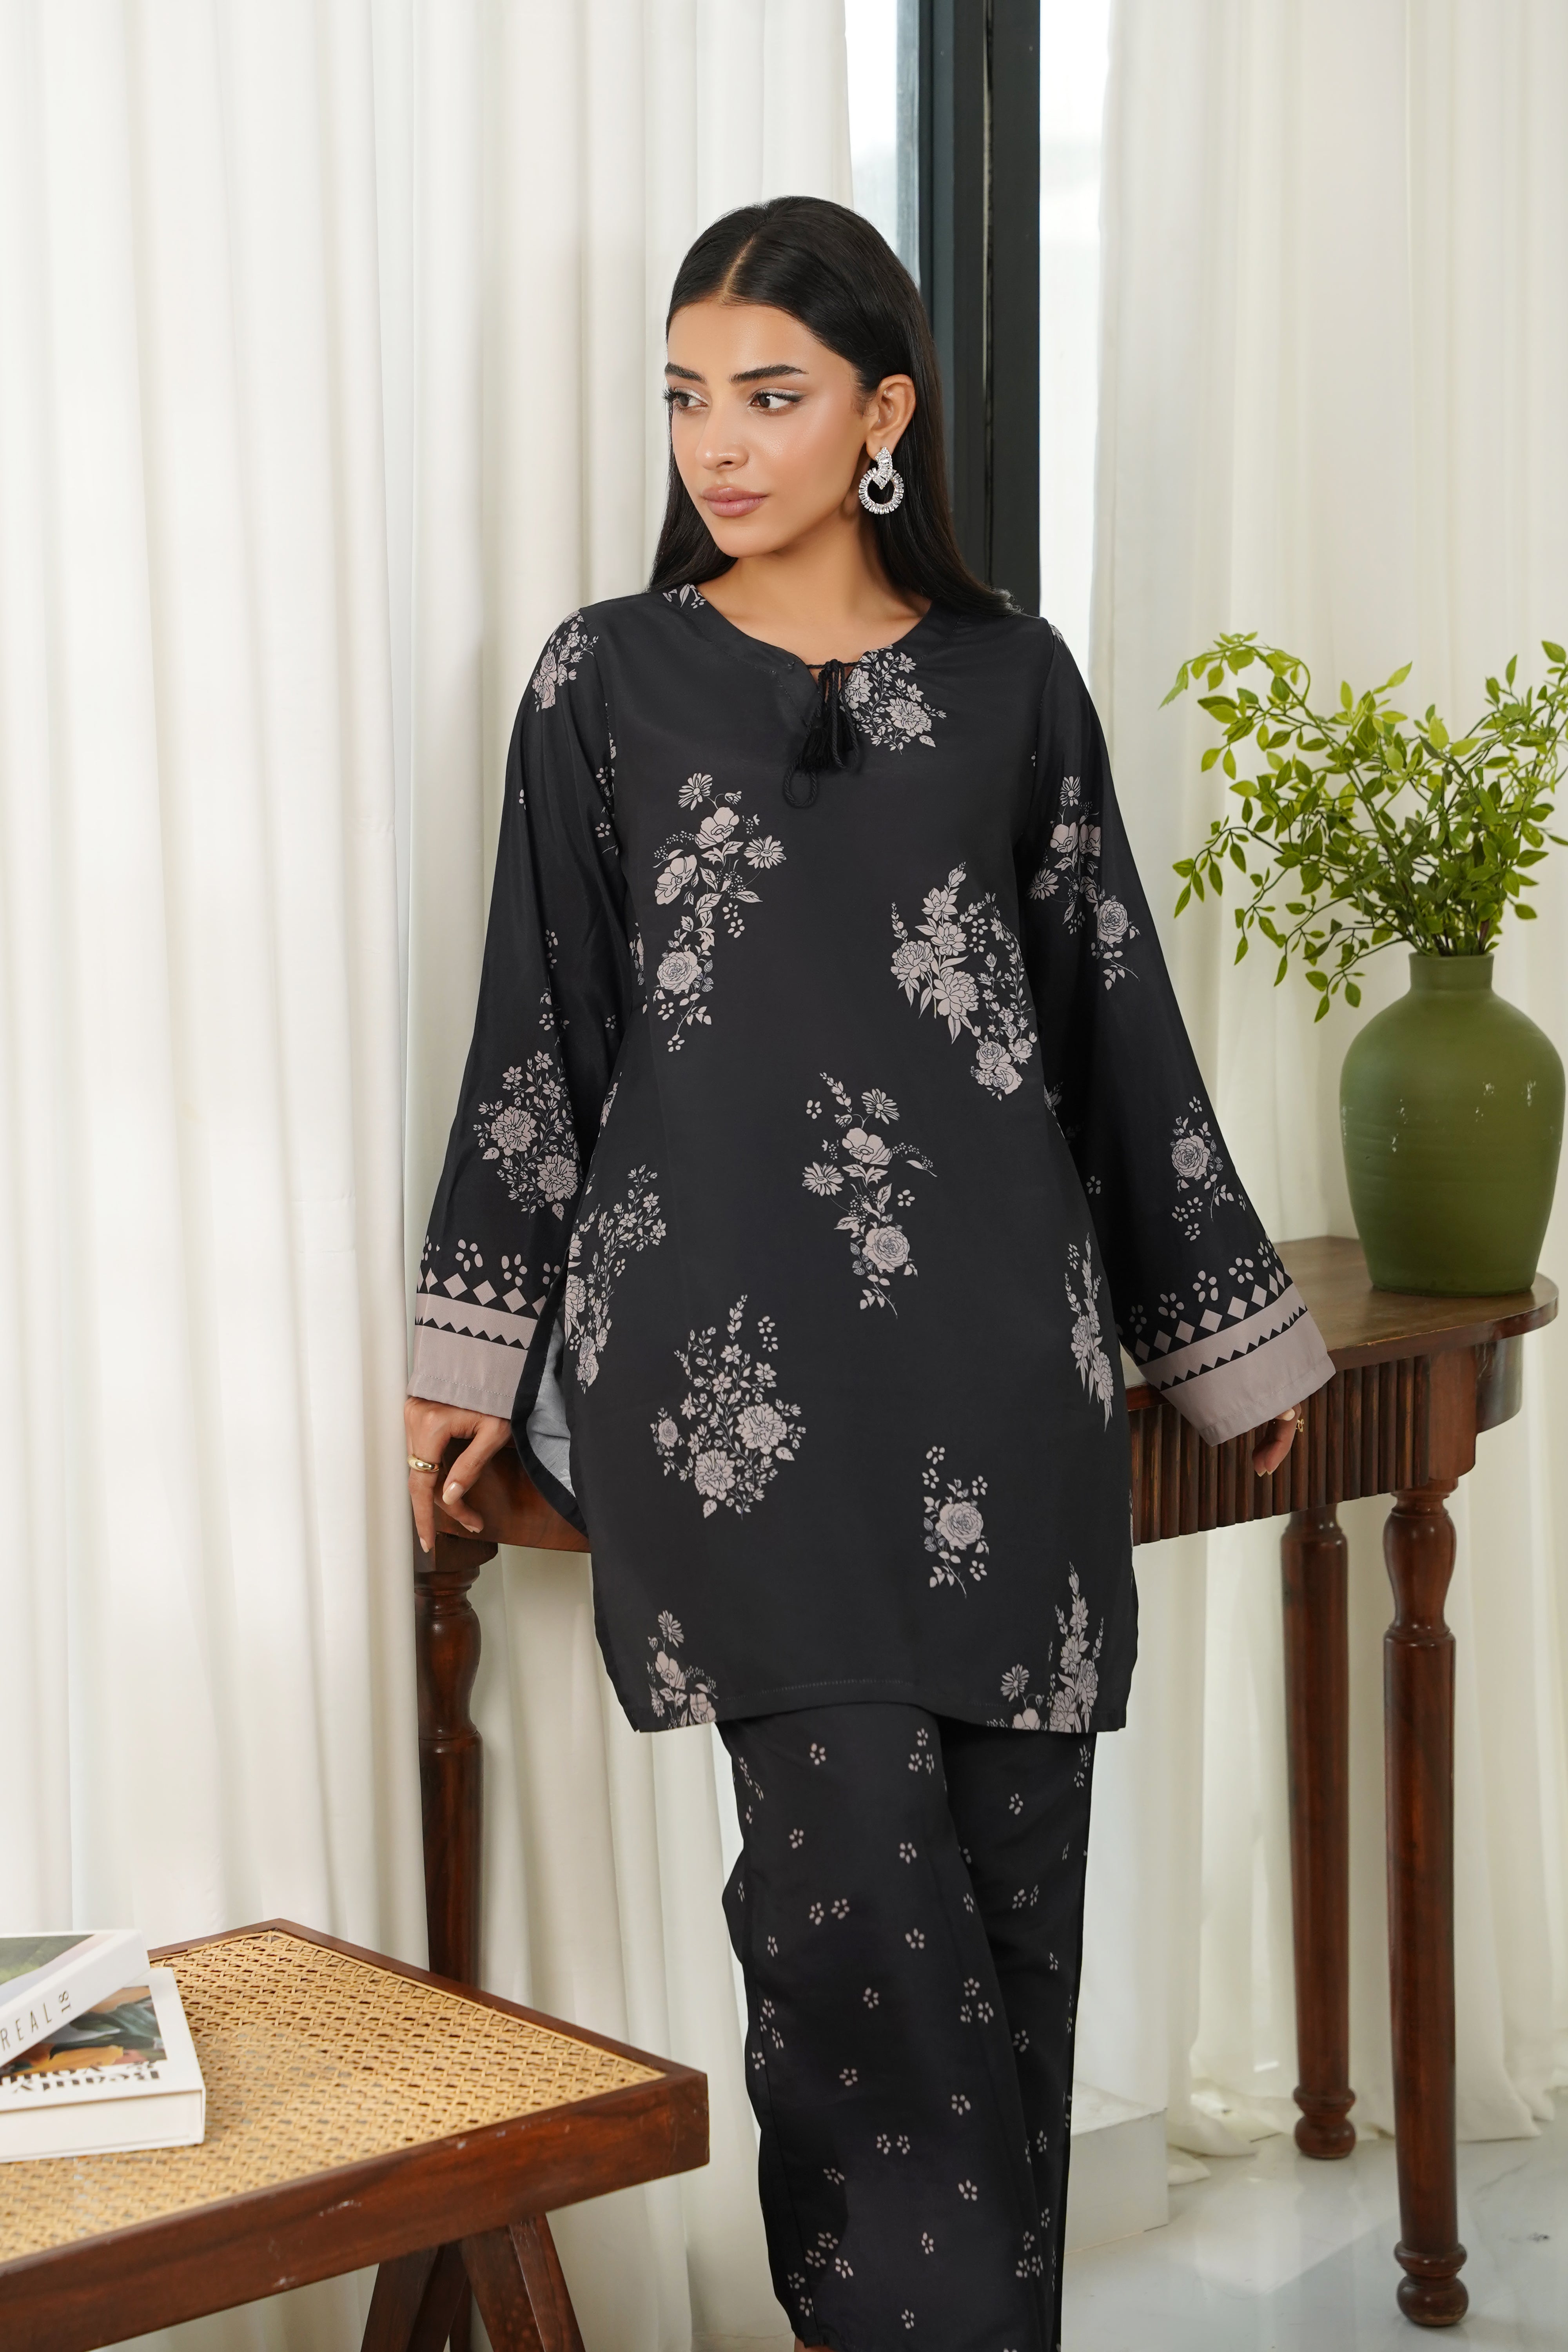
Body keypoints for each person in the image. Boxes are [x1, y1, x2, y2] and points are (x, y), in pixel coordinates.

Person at [405, 195, 1331, 2352]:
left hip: (999, 1388)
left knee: (1008, 1932)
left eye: (770, 395)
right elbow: (539, 1031)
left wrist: (1227, 1342)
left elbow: (1112, 1019)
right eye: (686, 400)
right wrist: (471, 1349)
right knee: (852, 1943)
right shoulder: (606, 681)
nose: (718, 444)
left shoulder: (1016, 686)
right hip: (733, 1405)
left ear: (885, 414)